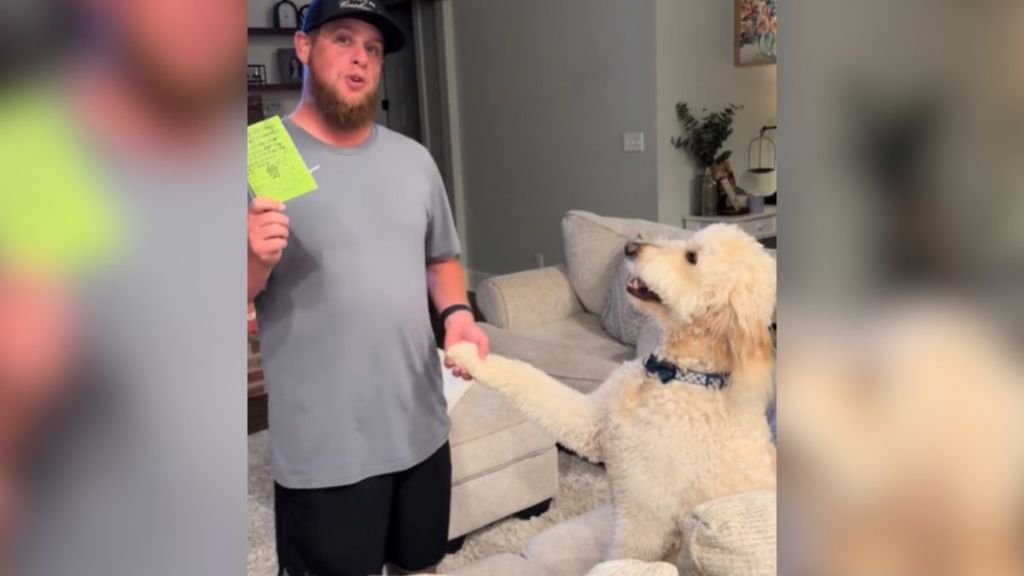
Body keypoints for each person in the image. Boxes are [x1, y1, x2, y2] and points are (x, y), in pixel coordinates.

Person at [247, 1, 489, 574]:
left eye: (373, 48)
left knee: (419, 564)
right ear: (304, 47)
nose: (360, 58)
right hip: (325, 444)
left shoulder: (413, 160)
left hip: (420, 424)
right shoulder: (260, 153)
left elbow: (441, 257)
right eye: (342, 39)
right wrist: (252, 259)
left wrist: (456, 312)